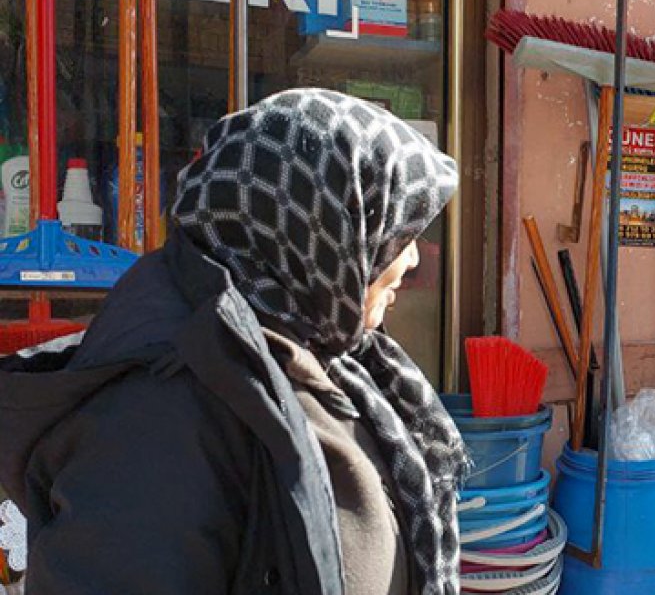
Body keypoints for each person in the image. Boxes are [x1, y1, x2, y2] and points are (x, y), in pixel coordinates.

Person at [0, 88, 467, 595]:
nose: (411, 260)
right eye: (396, 234)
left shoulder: (325, 352)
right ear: (313, 223)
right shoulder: (157, 410)